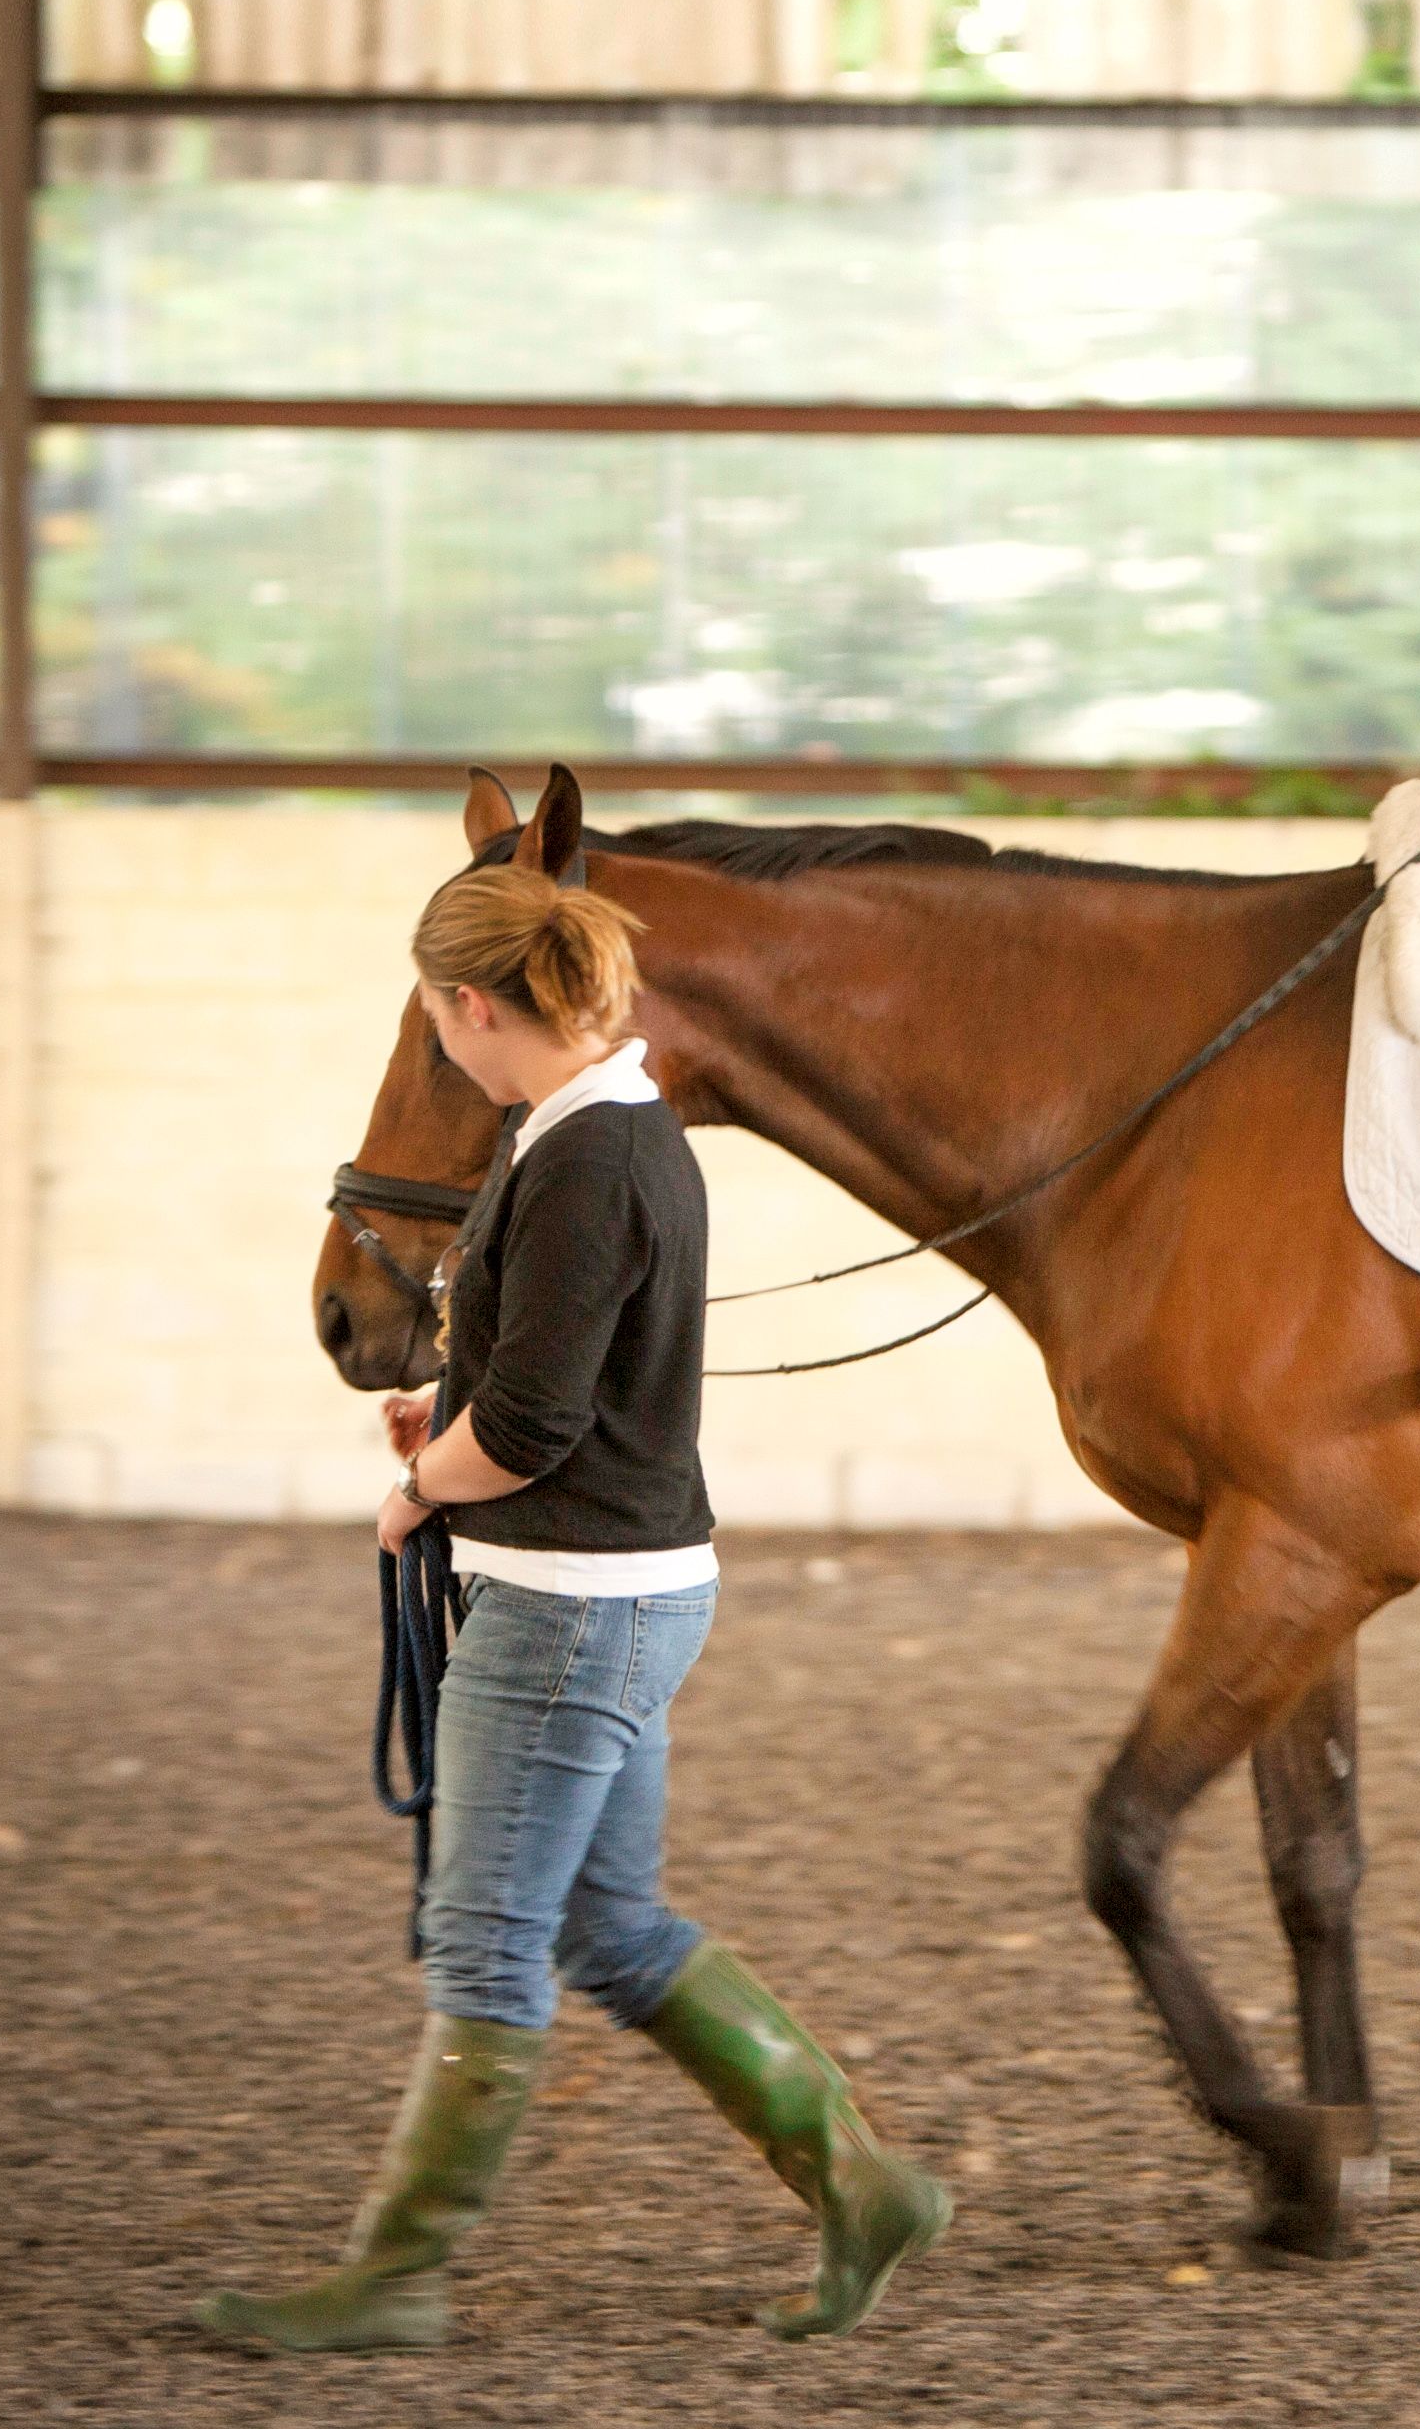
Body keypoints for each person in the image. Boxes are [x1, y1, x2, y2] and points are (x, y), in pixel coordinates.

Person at [198, 862, 945, 2353]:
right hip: (622, 1588)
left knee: (485, 1945)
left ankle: (402, 2272)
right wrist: (448, 1405)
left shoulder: (585, 1160)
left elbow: (532, 1430)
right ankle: (862, 2183)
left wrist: (429, 1485)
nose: (439, 1046)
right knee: (610, 1924)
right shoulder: (611, 1125)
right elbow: (553, 1371)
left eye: (433, 1021)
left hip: (563, 1609)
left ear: (474, 1005)